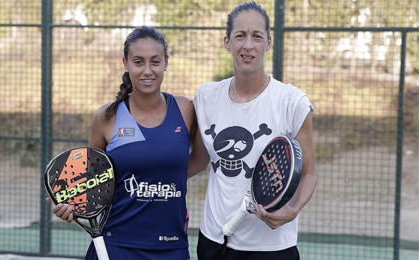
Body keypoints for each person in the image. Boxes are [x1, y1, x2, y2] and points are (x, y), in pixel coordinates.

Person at [49, 26, 202, 260]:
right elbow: (90, 180)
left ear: (166, 63)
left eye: (155, 61)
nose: (147, 71)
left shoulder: (185, 109)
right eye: (138, 62)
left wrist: (161, 177)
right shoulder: (106, 117)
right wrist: (70, 203)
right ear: (125, 63)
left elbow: (200, 160)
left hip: (171, 247)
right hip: (116, 245)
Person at [190, 2, 318, 260]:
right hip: (214, 243)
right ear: (227, 42)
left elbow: (310, 173)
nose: (248, 45)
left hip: (272, 249)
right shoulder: (206, 97)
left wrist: (291, 211)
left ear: (268, 42)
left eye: (257, 36)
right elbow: (199, 162)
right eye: (240, 35)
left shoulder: (291, 102)